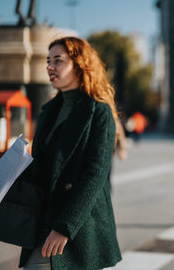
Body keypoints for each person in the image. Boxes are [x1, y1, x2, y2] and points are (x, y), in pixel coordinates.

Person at [19, 36, 122, 269]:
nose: (49, 66)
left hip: (79, 229)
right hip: (43, 221)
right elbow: (41, 167)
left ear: (79, 64)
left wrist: (65, 227)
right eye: (48, 60)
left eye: (58, 60)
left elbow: (95, 176)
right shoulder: (48, 111)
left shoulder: (99, 112)